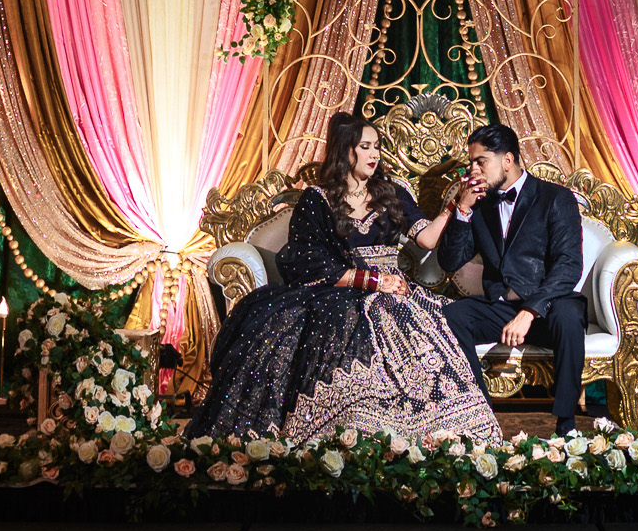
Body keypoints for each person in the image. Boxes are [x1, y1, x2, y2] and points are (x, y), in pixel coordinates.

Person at [189, 112, 501, 442]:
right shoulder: (318, 199)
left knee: (431, 328)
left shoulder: (391, 192)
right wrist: (371, 281)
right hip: (343, 293)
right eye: (365, 147)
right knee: (332, 323)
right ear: (344, 150)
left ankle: (428, 434)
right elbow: (308, 262)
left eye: (377, 147)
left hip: (396, 294)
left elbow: (426, 239)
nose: (374, 155)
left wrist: (454, 206)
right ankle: (345, 430)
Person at [436, 123, 589, 435]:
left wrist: (530, 311)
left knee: (570, 316)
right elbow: (450, 260)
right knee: (452, 315)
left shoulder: (555, 198)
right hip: (501, 306)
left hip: (548, 307)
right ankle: (479, 413)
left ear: (507, 160)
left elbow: (569, 265)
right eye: (471, 162)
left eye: (481, 162)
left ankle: (566, 424)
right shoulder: (479, 203)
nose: (473, 170)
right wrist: (462, 210)